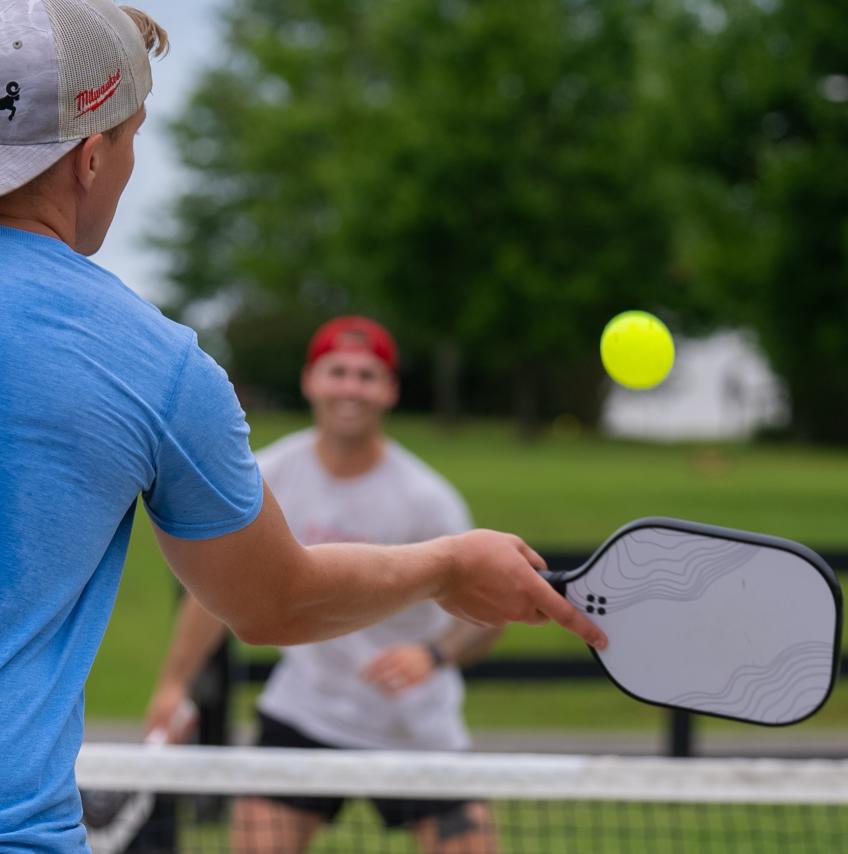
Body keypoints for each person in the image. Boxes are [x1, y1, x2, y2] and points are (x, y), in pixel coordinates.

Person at [0, 3, 604, 850]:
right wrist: (445, 566)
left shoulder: (413, 485)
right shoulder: (153, 368)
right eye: (133, 138)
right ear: (91, 157)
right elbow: (272, 601)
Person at [144, 317, 503, 853]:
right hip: (303, 716)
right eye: (338, 372)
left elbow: (489, 616)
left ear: (390, 391)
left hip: (415, 729)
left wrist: (433, 655)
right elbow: (213, 593)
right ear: (311, 380)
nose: (351, 387)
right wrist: (174, 684)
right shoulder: (266, 477)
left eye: (367, 375)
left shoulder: (429, 500)